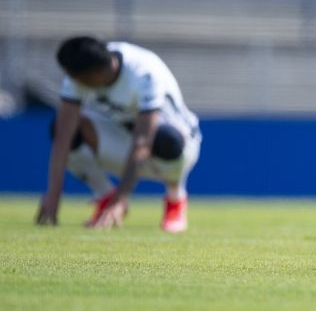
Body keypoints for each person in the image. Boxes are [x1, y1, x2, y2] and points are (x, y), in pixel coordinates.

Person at [35, 36, 202, 233]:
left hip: (176, 147)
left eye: (80, 79)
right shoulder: (83, 71)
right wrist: (53, 193)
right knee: (65, 130)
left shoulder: (144, 72)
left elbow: (143, 141)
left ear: (94, 74)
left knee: (166, 140)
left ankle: (175, 199)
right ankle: (104, 196)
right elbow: (63, 136)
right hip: (125, 142)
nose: (75, 83)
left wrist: (120, 200)